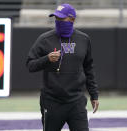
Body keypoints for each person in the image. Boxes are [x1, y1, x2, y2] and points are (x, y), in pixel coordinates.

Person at [26, 3, 99, 131]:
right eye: (56, 19)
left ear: (72, 19)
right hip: (52, 102)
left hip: (77, 101)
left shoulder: (84, 39)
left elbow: (89, 69)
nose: (58, 21)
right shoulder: (45, 39)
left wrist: (94, 95)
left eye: (61, 19)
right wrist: (46, 59)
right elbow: (30, 65)